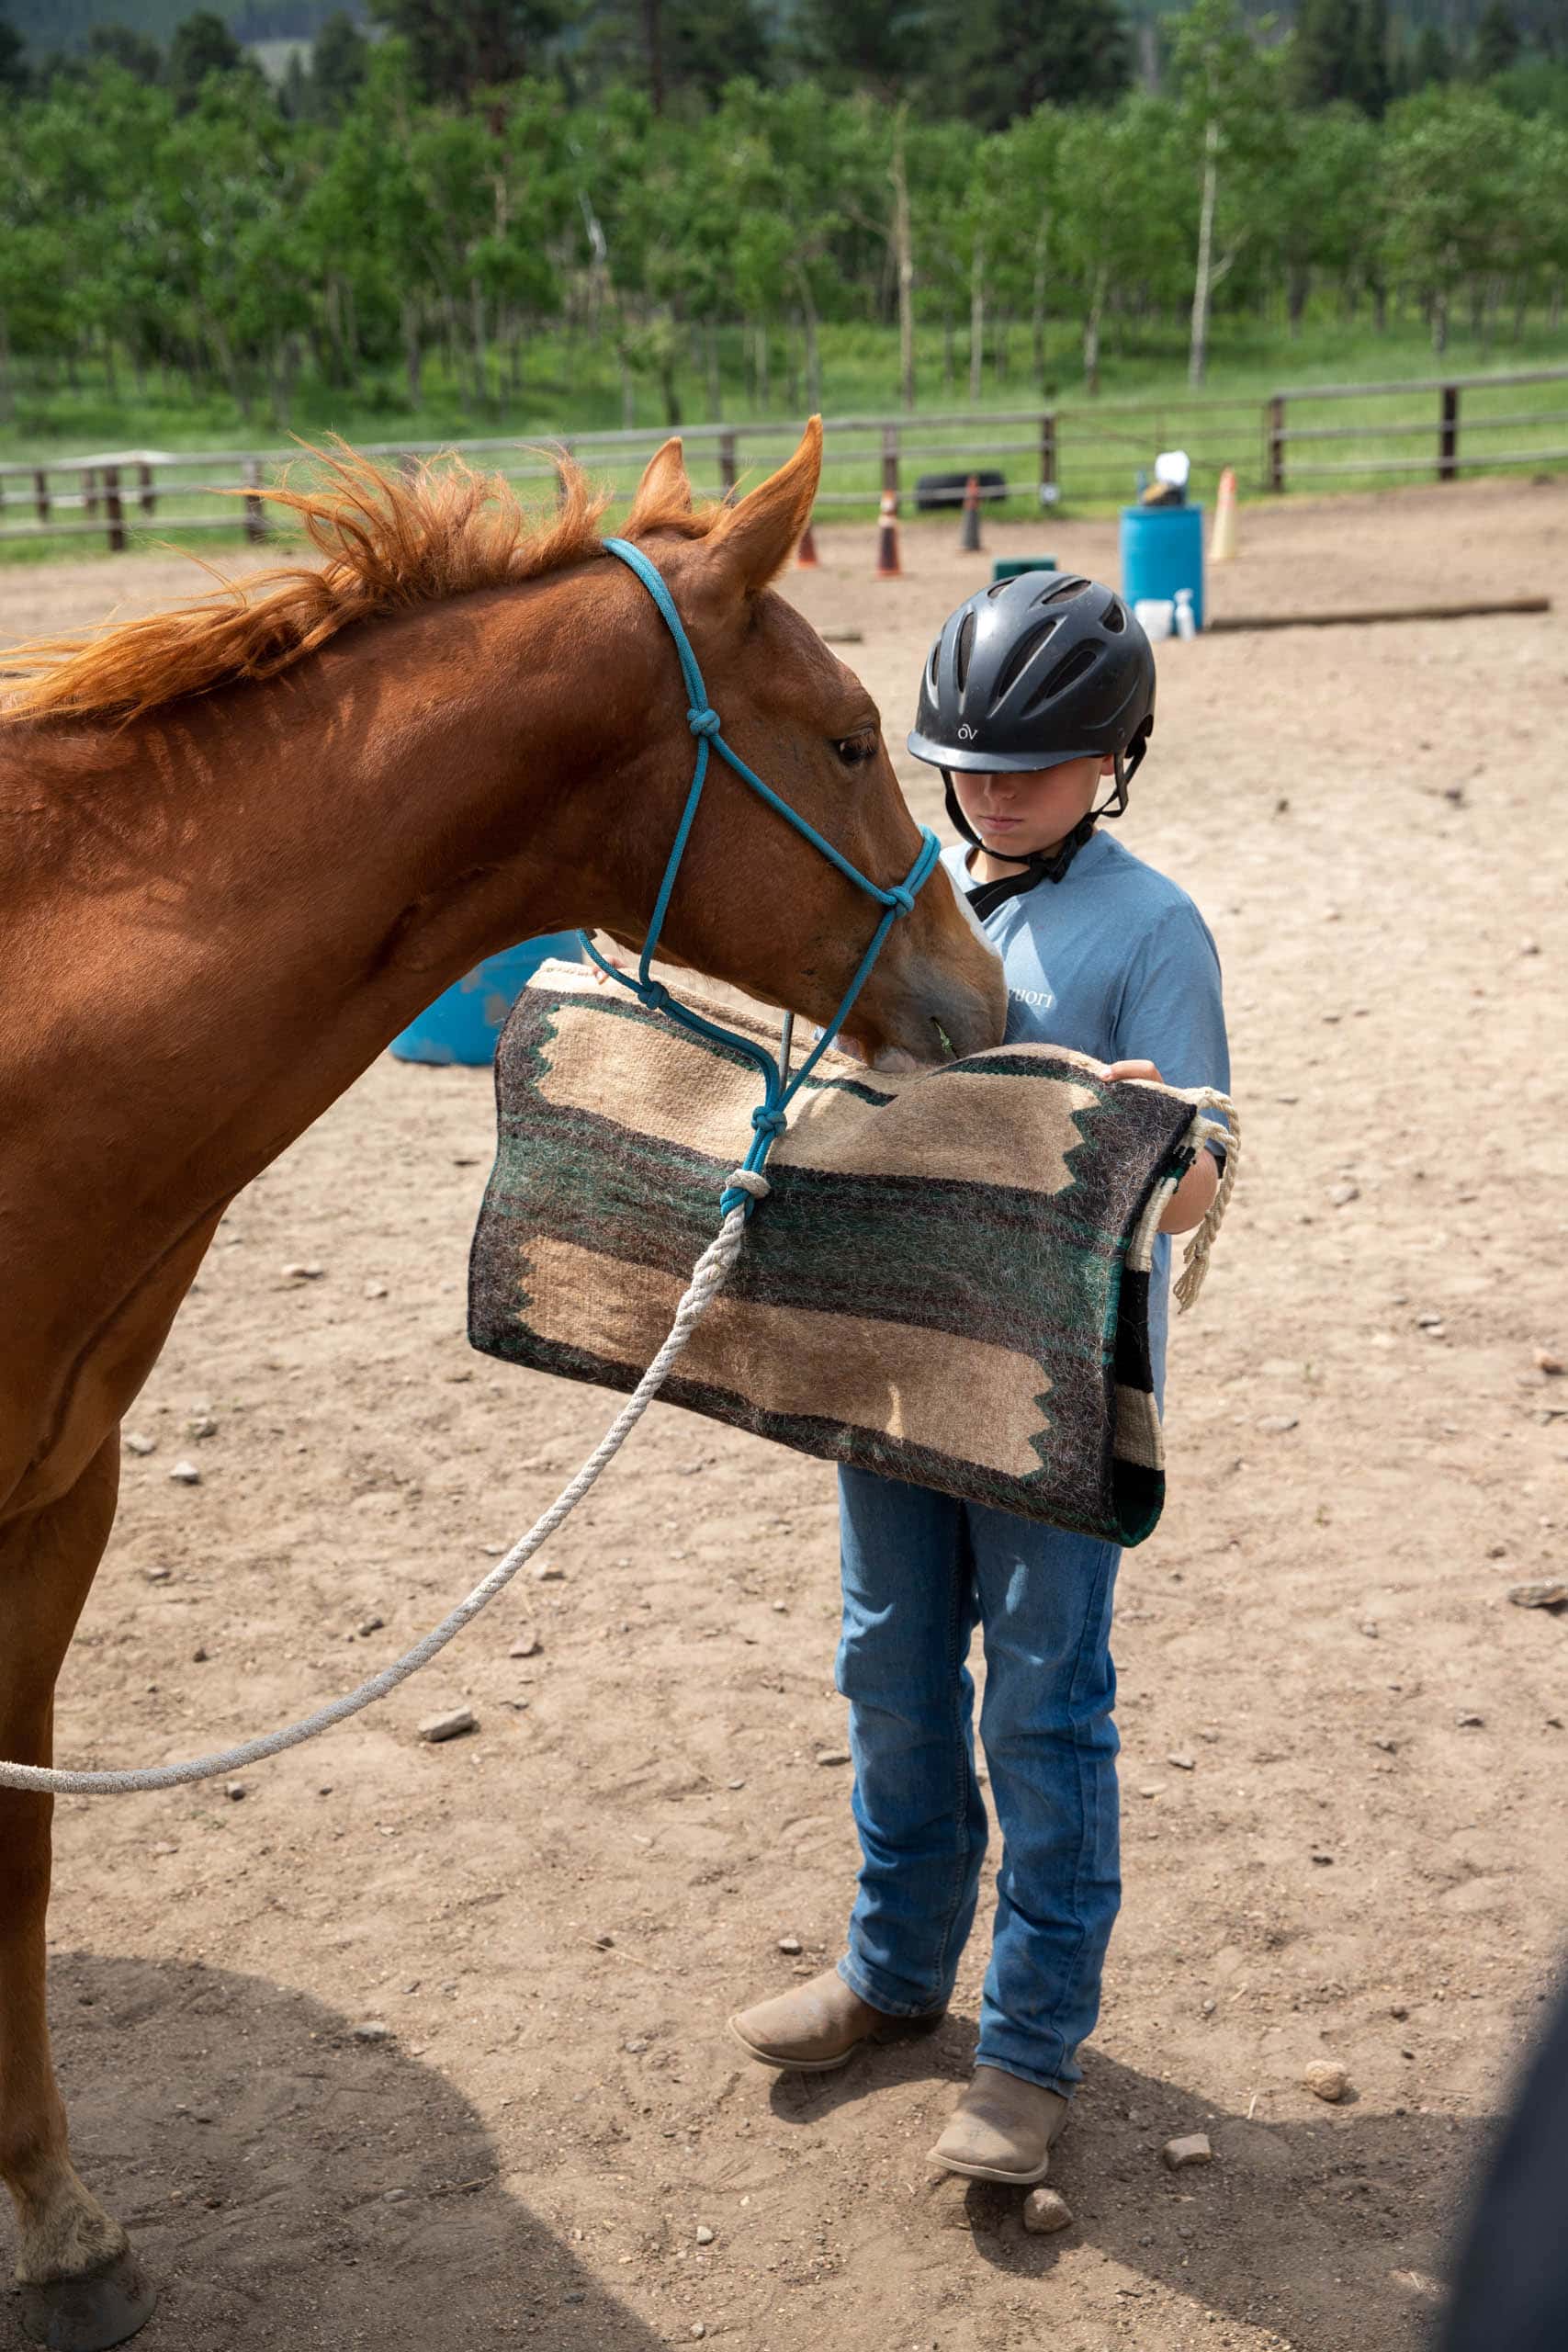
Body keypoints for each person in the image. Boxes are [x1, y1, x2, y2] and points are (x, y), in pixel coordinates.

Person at [728, 573, 1231, 2185]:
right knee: (885, 1668)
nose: (992, 791)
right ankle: (891, 1973)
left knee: (1042, 1699)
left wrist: (1160, 1142)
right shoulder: (911, 895)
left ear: (1114, 760)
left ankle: (1026, 2052)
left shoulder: (1151, 929)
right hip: (896, 1362)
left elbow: (1215, 1160)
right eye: (968, 762)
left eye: (1031, 766)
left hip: (1054, 1389)